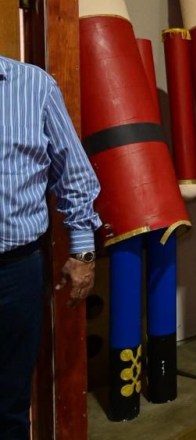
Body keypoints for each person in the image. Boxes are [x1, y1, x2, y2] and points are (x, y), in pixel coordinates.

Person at [0, 55, 102, 439]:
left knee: (9, 403)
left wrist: (83, 252)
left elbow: (73, 173)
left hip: (15, 273)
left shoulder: (34, 86)